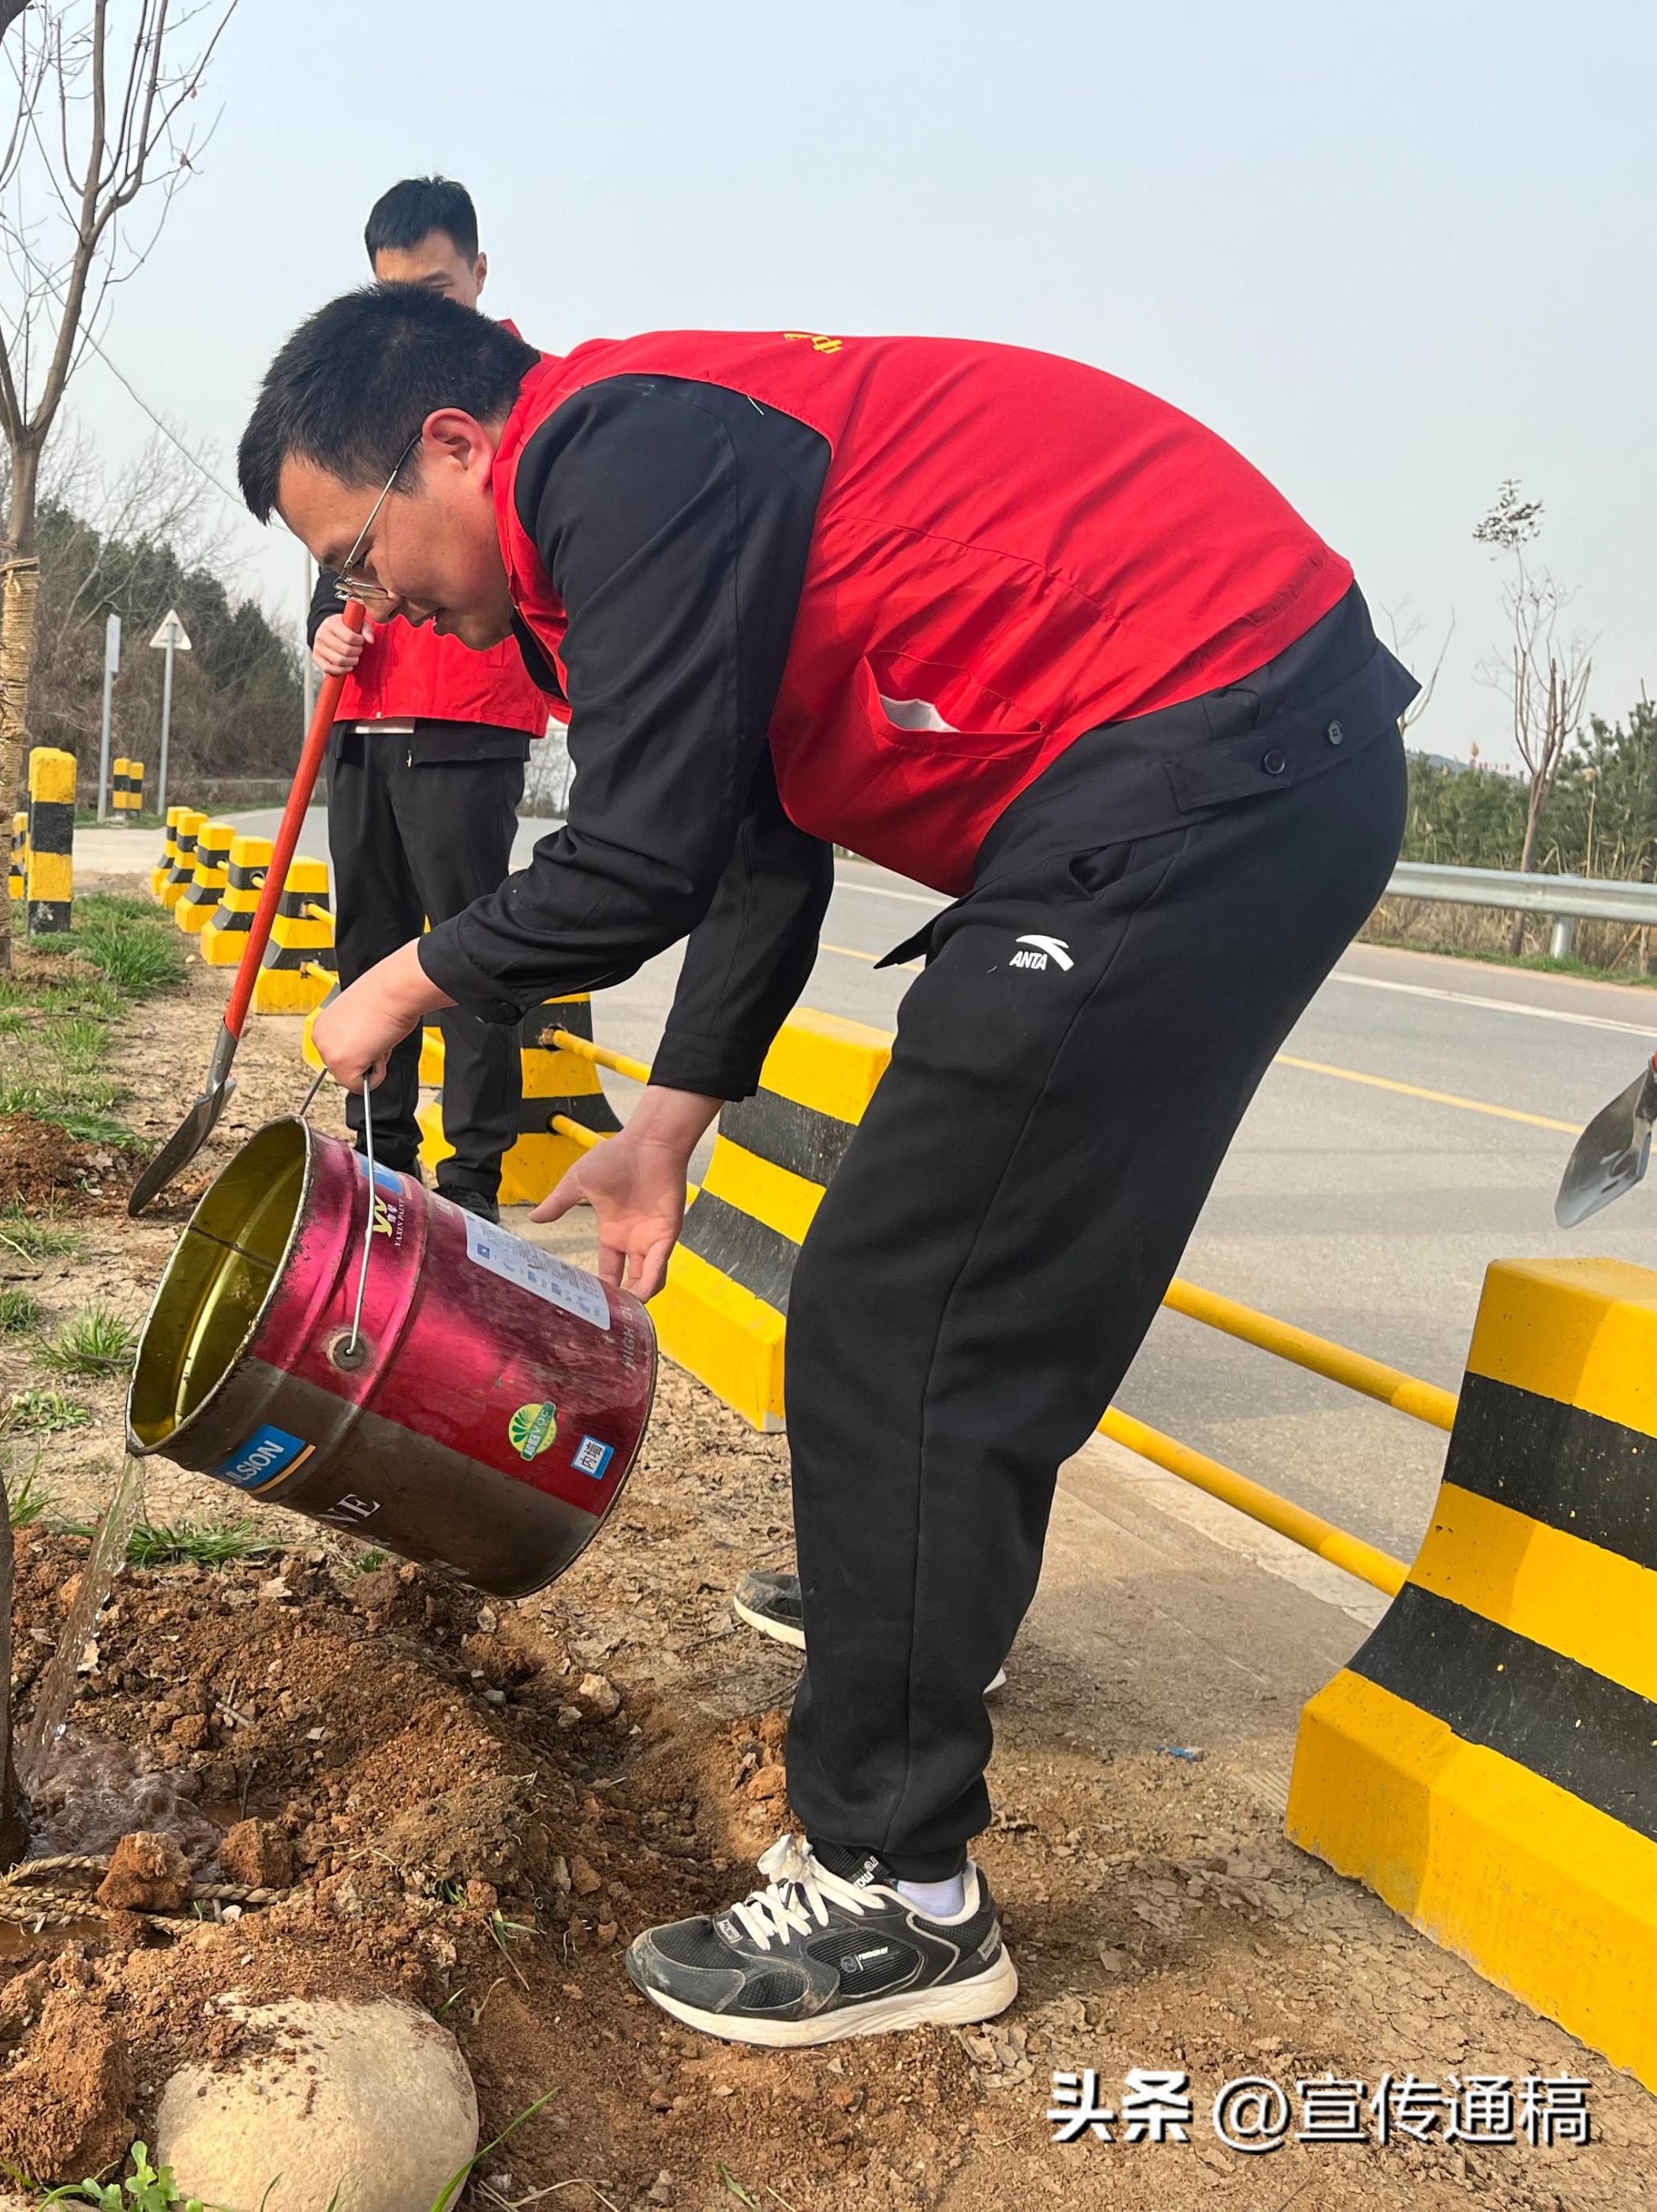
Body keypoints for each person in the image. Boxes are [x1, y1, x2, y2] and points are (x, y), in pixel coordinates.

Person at [235, 288, 1412, 2047]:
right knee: (958, 1288)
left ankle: (897, 1886)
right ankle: (917, 1614)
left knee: (897, 1306)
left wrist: (400, 977)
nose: (370, 602)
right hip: (1203, 764)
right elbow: (752, 853)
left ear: (454, 445)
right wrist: (666, 1127)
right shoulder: (638, 511)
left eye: (359, 547)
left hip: (1205, 749)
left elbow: (630, 864)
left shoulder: (611, 450)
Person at [302, 178, 552, 1222]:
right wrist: (325, 620)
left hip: (468, 716)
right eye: (390, 294)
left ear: (480, 276)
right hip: (363, 713)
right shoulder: (362, 407)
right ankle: (381, 1166)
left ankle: (471, 1186)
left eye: (435, 288)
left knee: (466, 954)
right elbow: (337, 557)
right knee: (367, 951)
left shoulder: (520, 392)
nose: (411, 314)